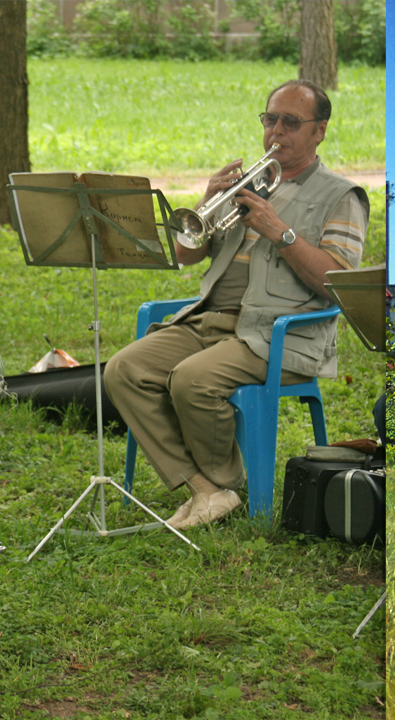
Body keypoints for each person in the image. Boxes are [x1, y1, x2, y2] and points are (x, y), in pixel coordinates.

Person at [104, 80, 369, 530]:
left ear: (320, 131)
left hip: (279, 333)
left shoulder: (341, 196)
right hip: (211, 320)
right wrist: (207, 204)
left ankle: (227, 484)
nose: (276, 132)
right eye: (270, 120)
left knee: (191, 380)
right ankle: (207, 489)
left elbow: (335, 282)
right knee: (123, 369)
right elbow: (184, 254)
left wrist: (279, 231)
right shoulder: (249, 185)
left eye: (291, 122)